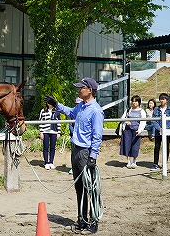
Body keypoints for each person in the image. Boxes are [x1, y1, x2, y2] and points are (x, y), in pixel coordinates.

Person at [45, 77, 104, 235]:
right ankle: (82, 219)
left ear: (90, 90)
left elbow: (97, 136)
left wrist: (93, 156)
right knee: (80, 188)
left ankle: (93, 222)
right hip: (76, 150)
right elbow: (70, 112)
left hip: (85, 152)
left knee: (90, 188)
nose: (79, 90)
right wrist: (56, 105)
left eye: (81, 88)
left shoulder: (96, 110)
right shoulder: (82, 106)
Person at [119, 95, 146, 169]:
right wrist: (126, 122)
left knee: (135, 146)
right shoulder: (128, 110)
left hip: (136, 131)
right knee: (126, 145)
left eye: (136, 101)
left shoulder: (142, 111)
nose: (134, 103)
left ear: (139, 102)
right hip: (127, 130)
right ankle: (128, 161)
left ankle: (134, 161)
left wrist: (139, 130)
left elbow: (143, 122)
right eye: (133, 101)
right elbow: (122, 118)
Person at [150, 93, 170, 171]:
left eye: (163, 99)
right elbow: (154, 120)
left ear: (166, 100)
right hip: (158, 132)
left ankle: (165, 163)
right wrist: (159, 128)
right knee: (157, 147)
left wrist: (165, 128)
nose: (162, 100)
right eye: (161, 99)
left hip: (167, 131)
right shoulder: (156, 109)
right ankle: (155, 163)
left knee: (166, 147)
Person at [39, 100, 61, 169]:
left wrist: (59, 132)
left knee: (52, 147)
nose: (49, 104)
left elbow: (59, 122)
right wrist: (41, 132)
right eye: (48, 102)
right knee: (45, 147)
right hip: (45, 131)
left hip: (54, 131)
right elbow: (40, 121)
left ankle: (51, 162)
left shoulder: (57, 111)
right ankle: (46, 163)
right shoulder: (43, 110)